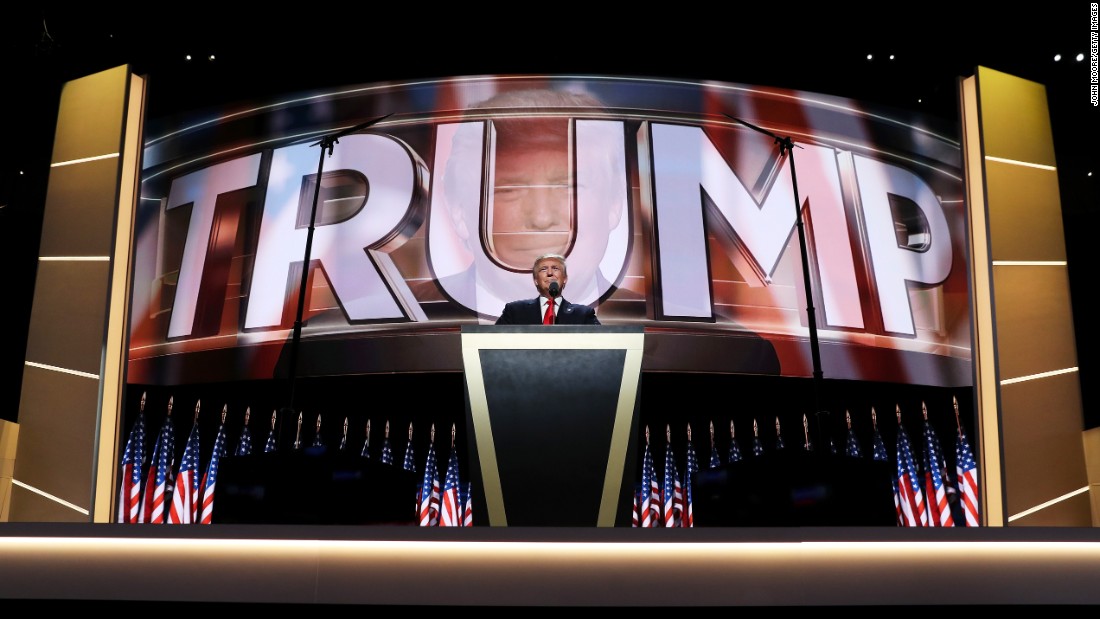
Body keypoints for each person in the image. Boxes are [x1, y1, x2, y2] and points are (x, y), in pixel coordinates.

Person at [495, 253, 599, 325]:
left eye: (555, 268)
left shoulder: (583, 314)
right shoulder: (514, 311)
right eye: (543, 269)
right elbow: (493, 342)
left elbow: (602, 344)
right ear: (536, 280)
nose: (550, 273)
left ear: (565, 279)